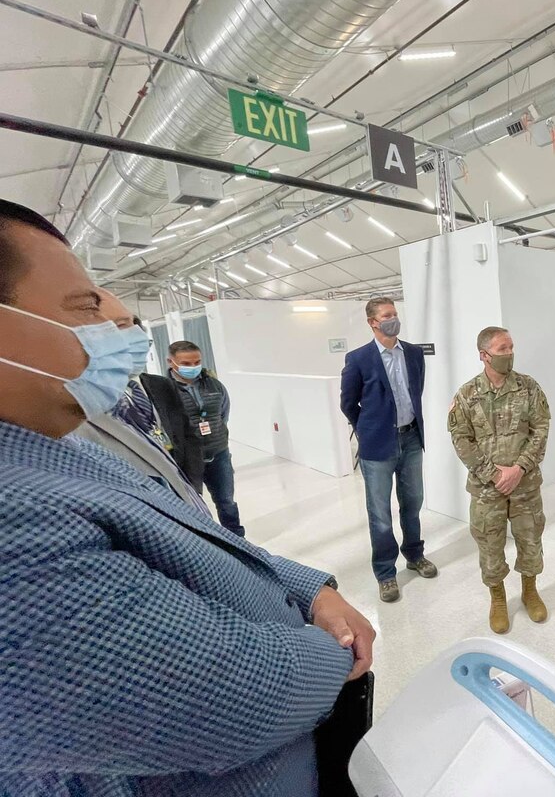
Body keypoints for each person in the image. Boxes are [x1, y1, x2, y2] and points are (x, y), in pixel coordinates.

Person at [0, 199, 375, 796]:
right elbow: (236, 696)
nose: (114, 325)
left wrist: (309, 590)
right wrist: (336, 647)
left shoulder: (60, 441)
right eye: (85, 308)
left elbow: (192, 534)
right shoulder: (13, 523)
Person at [448, 326, 551, 634]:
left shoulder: (529, 388)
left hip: (525, 484)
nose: (510, 353)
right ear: (484, 355)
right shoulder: (467, 395)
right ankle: (498, 599)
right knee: (490, 546)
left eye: (511, 347)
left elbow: (541, 429)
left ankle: (530, 590)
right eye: (503, 349)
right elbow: (461, 439)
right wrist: (495, 475)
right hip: (486, 490)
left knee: (530, 540)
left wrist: (518, 469)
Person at [75, 290, 209, 514]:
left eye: (134, 323)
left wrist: (192, 485)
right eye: (119, 325)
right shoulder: (84, 410)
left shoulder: (162, 386)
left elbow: (188, 435)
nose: (135, 333)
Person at [340, 297, 436, 603]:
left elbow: (415, 390)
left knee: (413, 502)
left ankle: (414, 555)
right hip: (377, 445)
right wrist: (369, 429)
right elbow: (347, 403)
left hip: (410, 439)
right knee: (379, 513)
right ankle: (385, 573)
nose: (393, 319)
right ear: (372, 322)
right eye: (386, 315)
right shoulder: (358, 359)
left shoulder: (413, 353)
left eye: (394, 314)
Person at [142, 340, 244, 537]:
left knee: (226, 500)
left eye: (196, 362)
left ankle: (237, 538)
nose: (193, 368)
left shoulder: (214, 385)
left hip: (218, 452)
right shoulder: (162, 390)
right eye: (186, 364)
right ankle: (207, 539)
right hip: (186, 458)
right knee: (192, 501)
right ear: (171, 362)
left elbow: (223, 414)